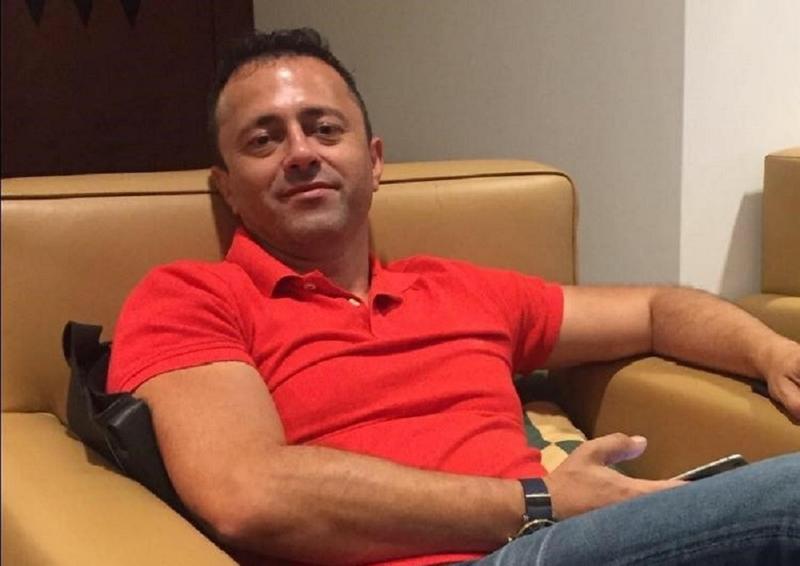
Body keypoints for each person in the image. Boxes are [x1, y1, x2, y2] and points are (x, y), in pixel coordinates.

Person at [107, 28, 800, 566]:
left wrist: (771, 353)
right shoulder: (191, 297)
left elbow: (654, 310)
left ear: (374, 161)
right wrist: (542, 501)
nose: (301, 153)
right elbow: (249, 494)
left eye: (324, 128)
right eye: (264, 139)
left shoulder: (455, 287)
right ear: (226, 187)